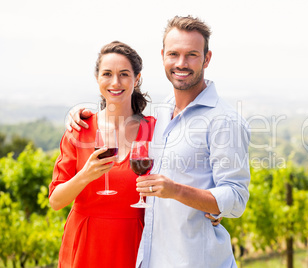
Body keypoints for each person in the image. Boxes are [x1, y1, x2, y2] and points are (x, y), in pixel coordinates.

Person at [69, 16, 250, 268]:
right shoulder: (162, 112)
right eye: (174, 54)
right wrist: (80, 112)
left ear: (207, 59)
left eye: (192, 55)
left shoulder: (224, 119)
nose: (181, 63)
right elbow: (119, 114)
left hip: (197, 261)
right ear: (163, 55)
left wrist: (179, 191)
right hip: (152, 259)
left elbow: (236, 198)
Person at [49, 41, 156, 268]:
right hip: (84, 246)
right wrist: (85, 175)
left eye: (124, 74)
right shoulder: (80, 129)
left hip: (134, 244)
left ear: (136, 79)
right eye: (107, 74)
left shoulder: (154, 129)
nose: (115, 82)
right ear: (98, 79)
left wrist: (212, 212)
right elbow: (56, 201)